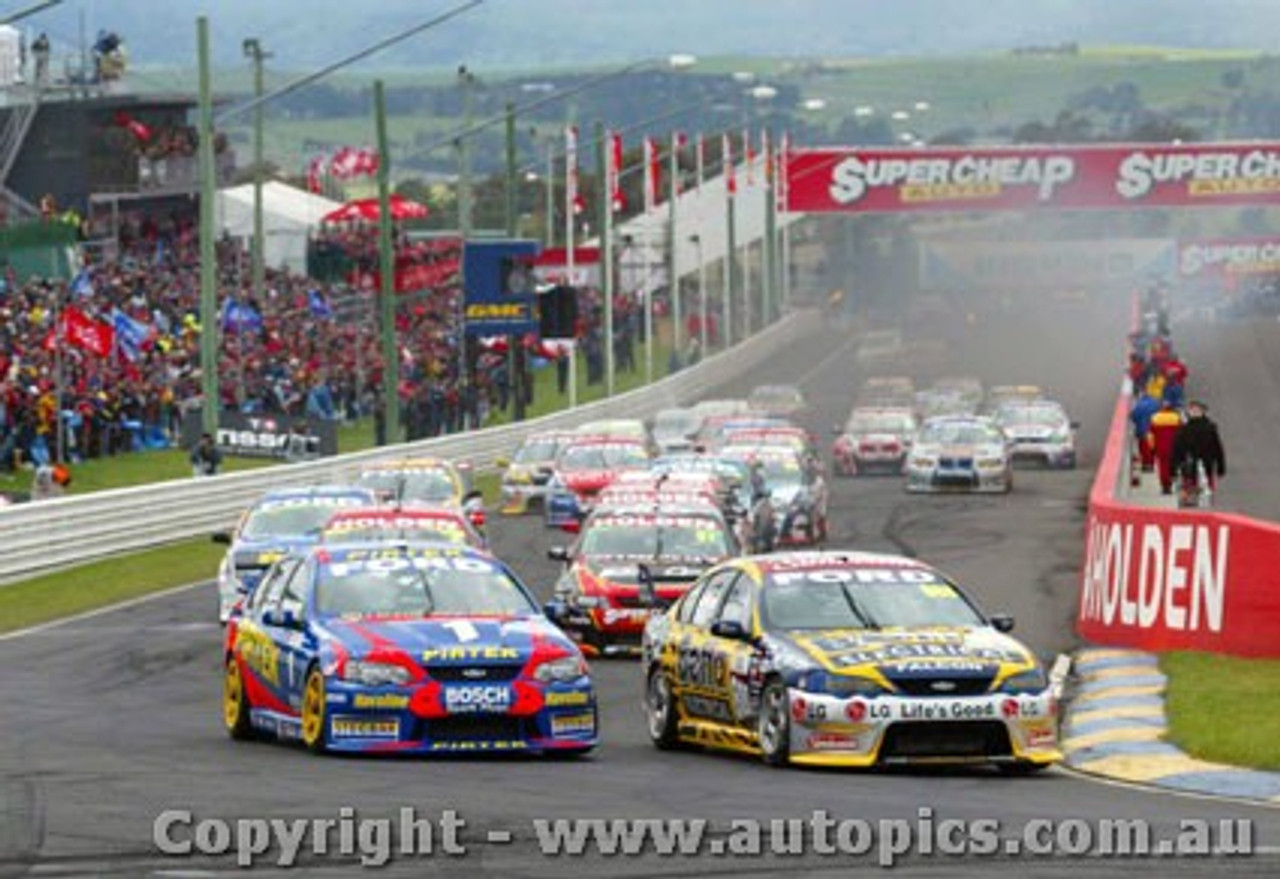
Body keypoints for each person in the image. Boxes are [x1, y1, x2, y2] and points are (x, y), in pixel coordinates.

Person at [1172, 400, 1226, 497]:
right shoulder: (1184, 429)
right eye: (1192, 410)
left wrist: (1220, 466)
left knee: (1205, 493)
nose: (1195, 412)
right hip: (1190, 466)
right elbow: (1177, 449)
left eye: (1197, 410)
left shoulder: (1210, 428)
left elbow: (1217, 447)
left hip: (1206, 465)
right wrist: (1173, 467)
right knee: (1192, 493)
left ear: (1203, 412)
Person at [1148, 399, 1184, 495]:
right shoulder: (1176, 418)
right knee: (1172, 466)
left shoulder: (1155, 418)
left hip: (1160, 448)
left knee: (1162, 466)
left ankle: (1165, 486)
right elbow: (1181, 434)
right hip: (1173, 448)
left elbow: (1150, 435)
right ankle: (1171, 483)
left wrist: (1152, 448)